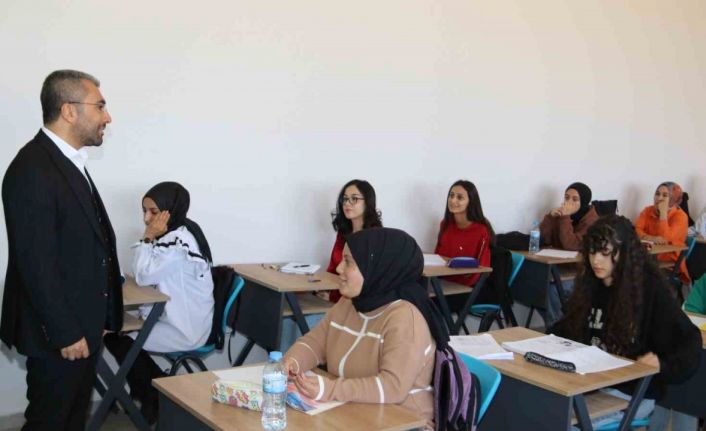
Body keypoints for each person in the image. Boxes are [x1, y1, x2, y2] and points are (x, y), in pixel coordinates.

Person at [1, 70, 122, 430]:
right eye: (100, 106)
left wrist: (101, 317)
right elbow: (35, 263)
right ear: (69, 110)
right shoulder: (33, 169)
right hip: (59, 334)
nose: (107, 117)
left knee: (70, 421)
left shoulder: (65, 161)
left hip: (79, 326)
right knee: (50, 422)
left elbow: (86, 246)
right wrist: (65, 332)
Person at [282, 228, 449, 429]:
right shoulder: (349, 303)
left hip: (403, 422)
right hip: (355, 412)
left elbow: (393, 387)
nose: (339, 268)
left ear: (377, 268)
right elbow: (315, 343)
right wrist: (292, 362)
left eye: (348, 262)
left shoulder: (405, 318)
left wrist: (330, 389)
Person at [550, 215, 701, 429]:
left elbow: (689, 340)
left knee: (563, 425)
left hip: (631, 393)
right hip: (592, 384)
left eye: (606, 253)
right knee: (541, 412)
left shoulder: (648, 290)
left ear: (625, 253)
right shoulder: (590, 285)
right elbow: (567, 328)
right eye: (592, 252)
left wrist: (663, 364)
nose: (596, 260)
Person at [104, 182, 214, 424]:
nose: (146, 218)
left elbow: (144, 276)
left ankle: (154, 394)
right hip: (173, 320)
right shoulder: (176, 232)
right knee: (116, 334)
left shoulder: (179, 240)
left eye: (153, 212)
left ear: (170, 210)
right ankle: (151, 391)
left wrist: (147, 237)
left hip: (186, 328)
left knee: (119, 338)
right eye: (144, 211)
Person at [324, 179, 382, 303]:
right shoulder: (343, 233)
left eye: (354, 199)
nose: (347, 203)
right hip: (336, 293)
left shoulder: (375, 236)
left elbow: (371, 280)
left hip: (358, 301)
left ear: (367, 202)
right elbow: (333, 269)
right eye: (345, 199)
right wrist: (325, 290)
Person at [434, 180, 494, 287]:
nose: (453, 200)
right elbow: (437, 257)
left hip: (465, 286)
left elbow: (482, 269)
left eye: (459, 197)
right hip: (440, 280)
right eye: (451, 195)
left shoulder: (481, 231)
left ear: (471, 201)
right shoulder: (445, 224)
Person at [635, 182, 690, 284]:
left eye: (665, 195)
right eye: (657, 194)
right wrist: (651, 238)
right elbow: (636, 230)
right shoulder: (647, 211)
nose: (659, 198)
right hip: (648, 256)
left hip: (669, 263)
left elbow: (665, 239)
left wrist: (663, 214)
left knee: (636, 273)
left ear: (673, 199)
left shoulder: (681, 216)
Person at [539, 182, 599, 251]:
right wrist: (550, 217)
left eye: (575, 199)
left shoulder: (592, 221)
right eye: (567, 198)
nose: (568, 202)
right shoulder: (561, 214)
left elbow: (571, 245)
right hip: (554, 256)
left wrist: (565, 217)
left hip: (578, 258)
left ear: (583, 202)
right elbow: (544, 239)